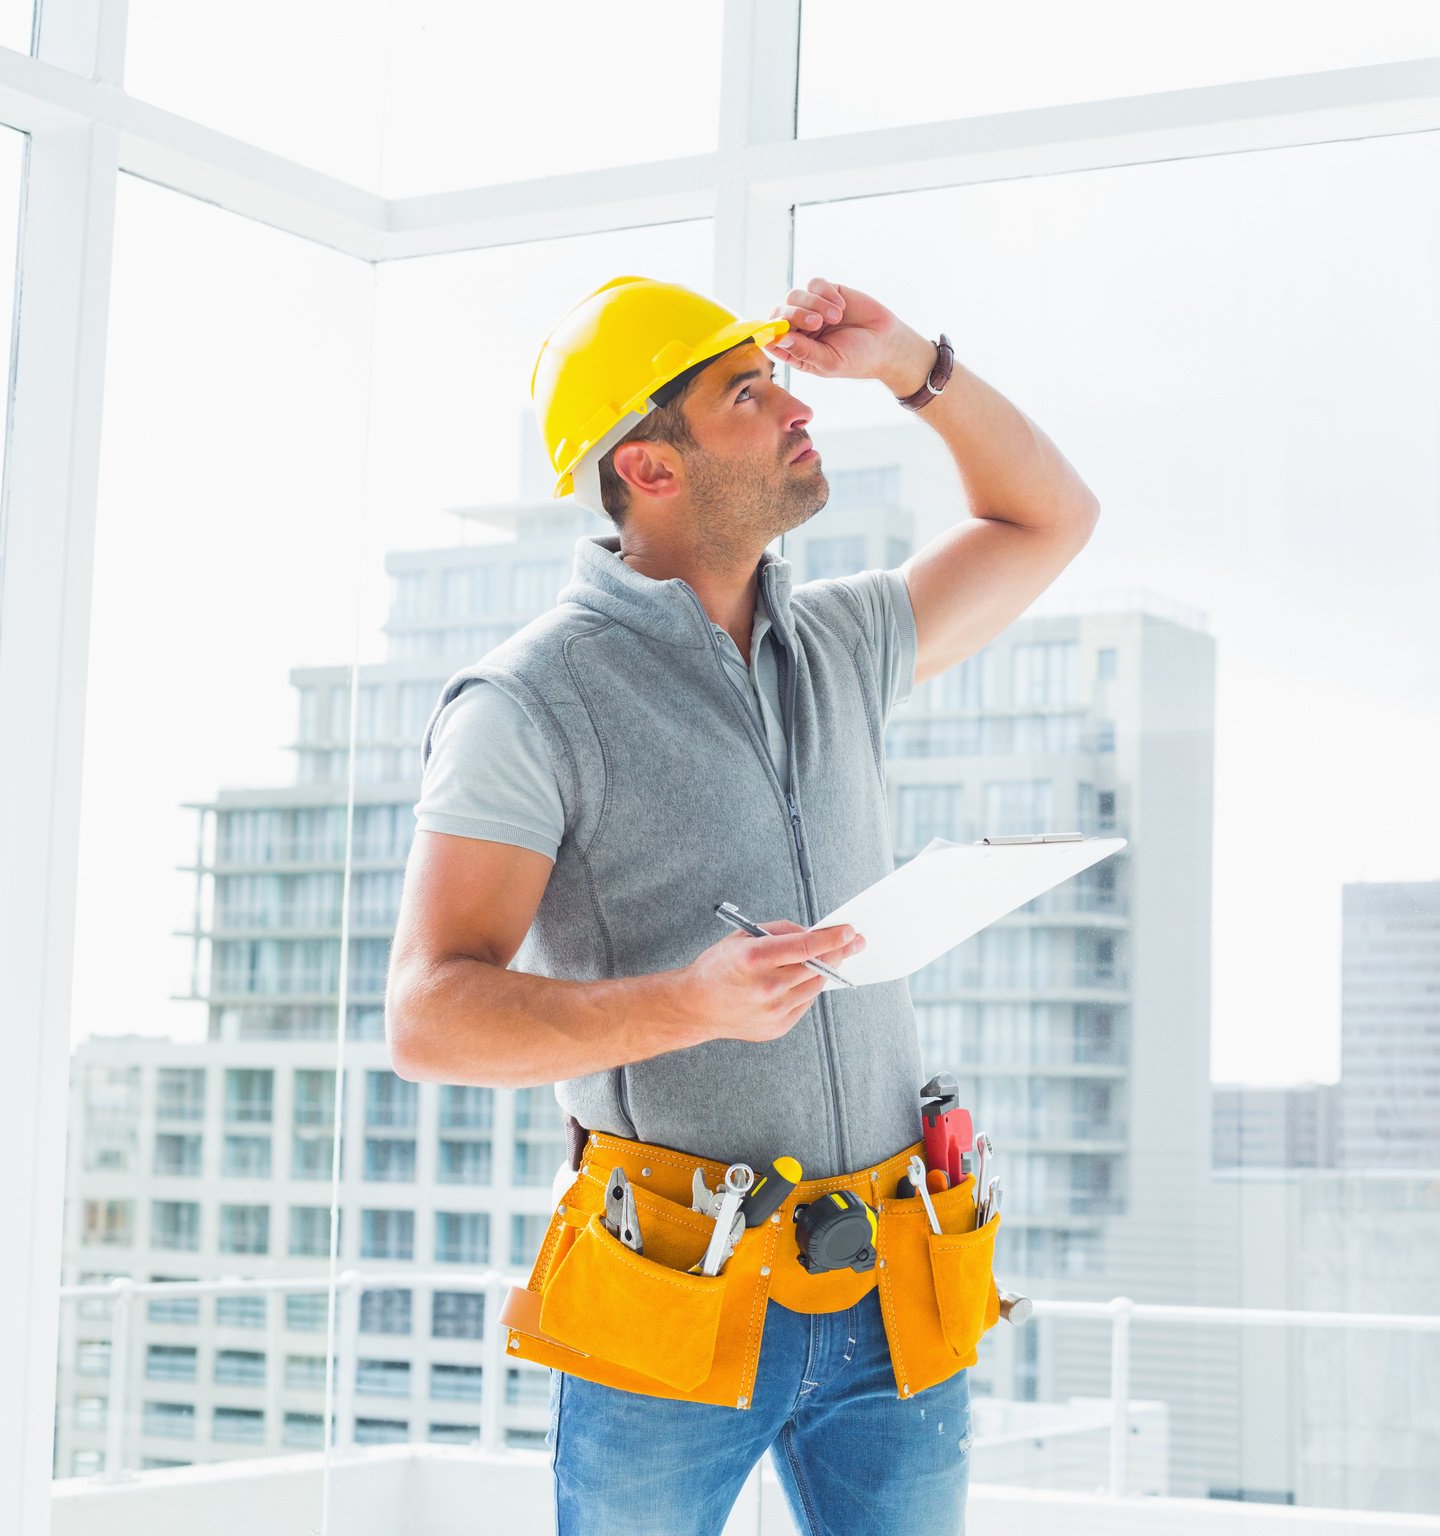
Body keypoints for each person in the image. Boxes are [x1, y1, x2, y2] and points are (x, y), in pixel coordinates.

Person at [384, 274, 1099, 1535]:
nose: (793, 411)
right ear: (650, 468)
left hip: (894, 1285)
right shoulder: (528, 701)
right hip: (677, 1297)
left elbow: (1053, 519)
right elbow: (430, 1018)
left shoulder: (840, 641)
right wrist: (687, 1003)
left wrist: (912, 363)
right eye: (746, 395)